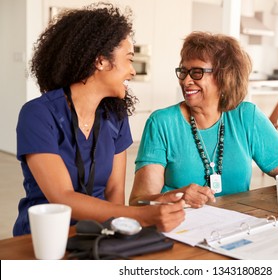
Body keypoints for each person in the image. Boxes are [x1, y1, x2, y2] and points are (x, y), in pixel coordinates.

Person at [13, 3, 184, 236]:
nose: (132, 71)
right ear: (101, 61)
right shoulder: (38, 114)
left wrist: (120, 232)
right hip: (44, 237)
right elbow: (62, 196)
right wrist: (142, 216)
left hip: (100, 234)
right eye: (129, 59)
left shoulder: (115, 116)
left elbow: (114, 191)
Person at [130, 31, 278, 208]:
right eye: (183, 72)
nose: (186, 81)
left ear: (223, 76)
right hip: (181, 228)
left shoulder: (246, 117)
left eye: (197, 73)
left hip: (239, 227)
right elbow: (139, 201)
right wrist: (175, 198)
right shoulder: (162, 123)